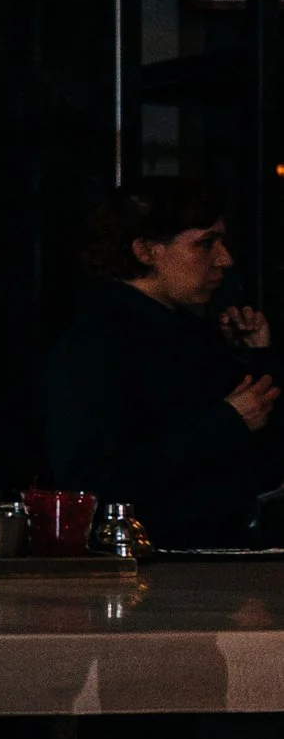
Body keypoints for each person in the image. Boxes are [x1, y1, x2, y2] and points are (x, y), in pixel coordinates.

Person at [42, 177, 281, 549]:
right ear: (147, 250)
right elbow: (92, 482)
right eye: (204, 243)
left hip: (217, 559)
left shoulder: (192, 332)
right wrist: (224, 422)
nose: (224, 258)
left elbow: (263, 459)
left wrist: (253, 356)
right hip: (154, 567)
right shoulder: (98, 342)